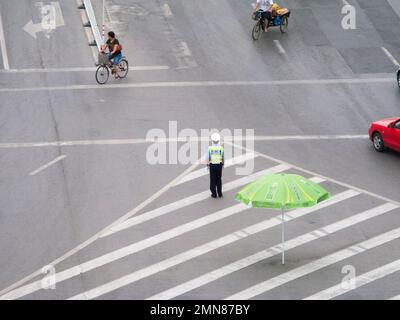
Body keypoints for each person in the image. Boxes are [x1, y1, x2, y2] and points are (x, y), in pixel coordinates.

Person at [208, 133, 224, 198]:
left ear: (212, 140)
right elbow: (222, 157)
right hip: (219, 165)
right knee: (219, 179)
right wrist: (222, 165)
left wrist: (208, 165)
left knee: (212, 179)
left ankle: (214, 194)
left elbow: (209, 157)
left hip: (212, 165)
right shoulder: (221, 148)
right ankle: (220, 193)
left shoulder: (210, 148)